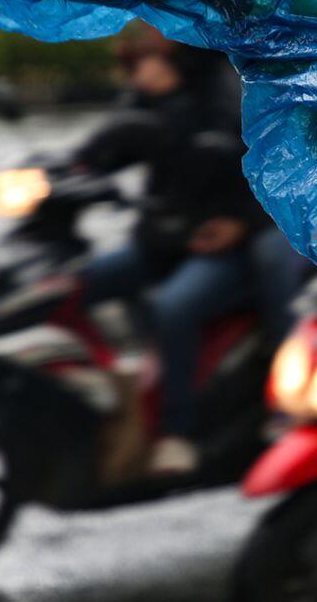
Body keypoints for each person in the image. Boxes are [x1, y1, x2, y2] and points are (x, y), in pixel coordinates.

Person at [74, 30, 283, 475]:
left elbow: (244, 160)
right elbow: (105, 148)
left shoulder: (220, 84)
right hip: (164, 239)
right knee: (77, 283)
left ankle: (177, 432)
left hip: (224, 243)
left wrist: (240, 223)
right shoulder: (147, 88)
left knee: (173, 308)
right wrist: (50, 174)